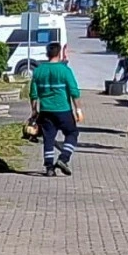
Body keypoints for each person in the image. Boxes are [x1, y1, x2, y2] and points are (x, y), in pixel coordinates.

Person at [29, 42, 82, 177]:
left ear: (47, 54)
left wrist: (34, 111)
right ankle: (63, 158)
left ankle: (49, 168)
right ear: (59, 54)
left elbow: (33, 94)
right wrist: (78, 110)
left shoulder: (38, 71)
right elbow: (74, 91)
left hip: (46, 110)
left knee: (49, 138)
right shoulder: (65, 70)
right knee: (72, 133)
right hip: (63, 110)